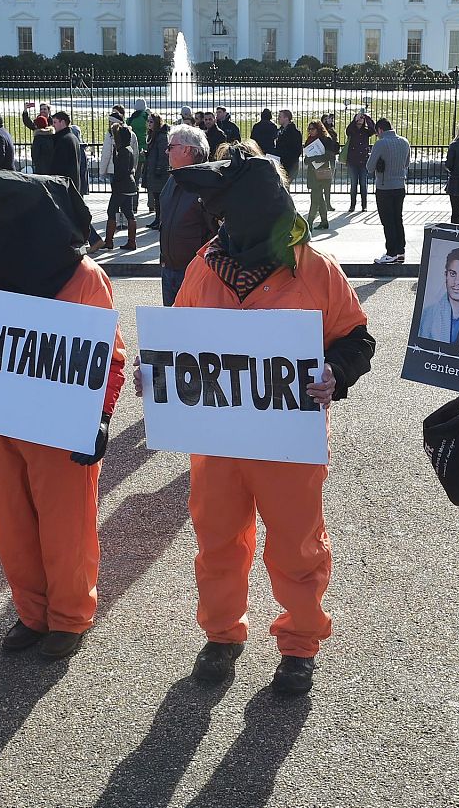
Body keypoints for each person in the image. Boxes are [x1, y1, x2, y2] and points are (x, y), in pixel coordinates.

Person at [149, 155, 376, 696]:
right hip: (217, 442)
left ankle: (300, 643)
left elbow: (356, 340)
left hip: (287, 444)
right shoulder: (208, 263)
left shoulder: (314, 267)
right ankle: (223, 635)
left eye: (224, 212)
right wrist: (154, 371)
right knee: (218, 539)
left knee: (297, 546)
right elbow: (178, 333)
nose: (217, 222)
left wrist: (334, 373)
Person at [0, 169, 127, 660]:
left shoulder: (84, 276)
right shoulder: (0, 272)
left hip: (61, 421)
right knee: (13, 521)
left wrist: (101, 416)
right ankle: (32, 613)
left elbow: (109, 355)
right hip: (3, 418)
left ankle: (70, 617)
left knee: (66, 523)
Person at [156, 123, 219, 306]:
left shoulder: (207, 183)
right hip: (169, 270)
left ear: (187, 150)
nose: (167, 152)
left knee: (193, 330)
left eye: (170, 147)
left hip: (195, 272)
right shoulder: (173, 179)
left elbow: (215, 232)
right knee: (172, 328)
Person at [371, 117, 410, 265]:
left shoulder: (380, 143)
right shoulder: (404, 142)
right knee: (397, 219)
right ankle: (400, 251)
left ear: (380, 130)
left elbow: (369, 166)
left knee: (387, 221)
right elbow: (406, 163)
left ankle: (391, 252)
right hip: (400, 185)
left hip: (384, 186)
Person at [103, 125, 139, 251]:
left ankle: (109, 241)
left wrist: (116, 181)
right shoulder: (127, 149)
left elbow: (121, 170)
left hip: (121, 187)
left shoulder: (124, 151)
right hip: (129, 186)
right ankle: (131, 241)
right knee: (129, 213)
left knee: (111, 211)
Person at [303, 120, 335, 230]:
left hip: (322, 172)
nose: (310, 131)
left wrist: (314, 158)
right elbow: (307, 157)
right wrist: (307, 160)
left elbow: (330, 155)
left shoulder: (325, 140)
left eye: (313, 129)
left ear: (318, 129)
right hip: (313, 172)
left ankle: (309, 222)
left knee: (314, 198)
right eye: (309, 129)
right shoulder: (309, 140)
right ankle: (324, 221)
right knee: (319, 198)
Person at [142, 112, 170, 229]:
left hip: (159, 172)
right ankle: (157, 219)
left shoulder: (161, 136)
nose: (149, 123)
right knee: (156, 197)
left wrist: (158, 168)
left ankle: (160, 220)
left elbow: (163, 155)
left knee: (159, 198)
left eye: (151, 121)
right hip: (153, 169)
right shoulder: (153, 135)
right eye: (148, 121)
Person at [345, 110, 374, 213]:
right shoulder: (352, 130)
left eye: (362, 118)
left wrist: (367, 117)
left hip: (363, 161)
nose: (361, 120)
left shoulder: (366, 131)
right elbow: (347, 131)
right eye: (359, 118)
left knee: (363, 184)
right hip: (353, 161)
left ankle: (364, 205)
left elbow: (373, 129)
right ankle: (352, 205)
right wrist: (354, 120)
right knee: (353, 185)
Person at [50, 110, 85, 193]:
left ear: (62, 122)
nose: (53, 125)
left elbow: (59, 166)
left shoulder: (63, 140)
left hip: (64, 184)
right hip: (72, 182)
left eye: (55, 122)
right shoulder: (72, 137)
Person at [22, 101, 56, 175]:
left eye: (44, 109)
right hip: (39, 155)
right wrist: (25, 111)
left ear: (49, 111)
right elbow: (28, 122)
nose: (43, 111)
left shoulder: (53, 121)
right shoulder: (38, 121)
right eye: (41, 109)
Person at [276, 109, 303, 180]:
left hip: (290, 165)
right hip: (280, 163)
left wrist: (283, 154)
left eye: (280, 116)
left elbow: (297, 151)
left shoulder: (294, 133)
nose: (278, 118)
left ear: (286, 118)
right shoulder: (279, 131)